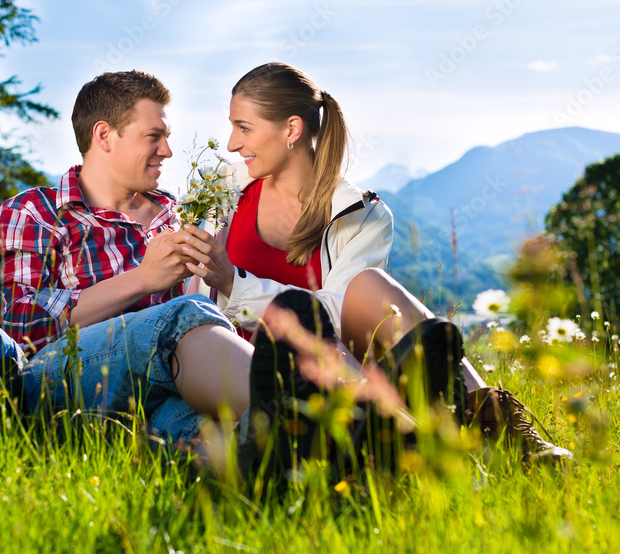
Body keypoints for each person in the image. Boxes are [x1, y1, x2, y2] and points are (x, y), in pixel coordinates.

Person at [181, 62, 572, 467]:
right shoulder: (224, 192)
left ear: (292, 130)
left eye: (244, 128)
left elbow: (328, 315)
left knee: (368, 285)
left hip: (333, 356)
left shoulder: (360, 213)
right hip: (249, 363)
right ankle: (400, 429)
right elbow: (194, 306)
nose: (230, 144)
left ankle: (501, 428)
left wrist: (232, 280)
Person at [0, 70, 254, 445]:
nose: (167, 151)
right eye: (153, 137)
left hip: (160, 388)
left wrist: (219, 277)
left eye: (167, 138)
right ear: (104, 136)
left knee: (216, 438)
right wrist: (142, 279)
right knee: (184, 314)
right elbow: (20, 332)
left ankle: (324, 452)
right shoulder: (35, 212)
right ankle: (306, 410)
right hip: (61, 385)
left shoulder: (177, 215)